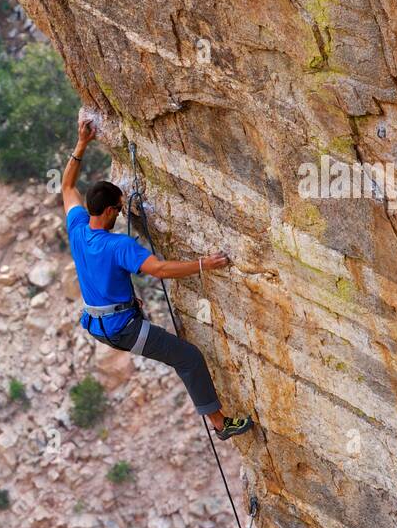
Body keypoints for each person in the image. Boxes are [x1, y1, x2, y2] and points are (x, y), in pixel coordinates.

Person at [61, 119, 253, 440]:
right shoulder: (118, 245)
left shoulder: (78, 228)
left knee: (177, 351)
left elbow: (67, 187)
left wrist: (81, 143)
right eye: (120, 210)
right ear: (108, 211)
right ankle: (221, 425)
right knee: (188, 358)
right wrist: (204, 264)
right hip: (122, 330)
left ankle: (217, 419)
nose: (121, 214)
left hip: (99, 324)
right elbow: (160, 270)